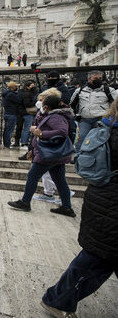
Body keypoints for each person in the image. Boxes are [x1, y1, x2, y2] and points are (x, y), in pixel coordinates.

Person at [40, 99, 118, 317]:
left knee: (97, 259)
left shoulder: (106, 128)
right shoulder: (112, 133)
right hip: (110, 206)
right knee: (96, 259)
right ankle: (57, 299)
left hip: (102, 200)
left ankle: (57, 299)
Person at [7, 95, 76, 217]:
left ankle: (25, 202)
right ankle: (66, 207)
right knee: (60, 180)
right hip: (53, 154)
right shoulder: (54, 115)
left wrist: (40, 133)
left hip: (48, 153)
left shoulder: (56, 117)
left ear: (46, 106)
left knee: (32, 176)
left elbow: (62, 132)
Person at [70, 70, 117, 151]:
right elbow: (71, 105)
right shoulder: (79, 91)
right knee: (81, 139)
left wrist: (111, 116)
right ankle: (79, 157)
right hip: (84, 120)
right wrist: (75, 116)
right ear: (89, 79)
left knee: (103, 139)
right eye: (95, 78)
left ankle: (103, 157)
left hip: (101, 119)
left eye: (100, 78)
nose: (98, 80)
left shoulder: (108, 90)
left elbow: (116, 104)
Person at [2, 82, 22, 148]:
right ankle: (7, 144)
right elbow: (19, 101)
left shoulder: (6, 94)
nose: (17, 88)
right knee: (9, 130)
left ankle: (6, 143)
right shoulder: (11, 94)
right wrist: (19, 93)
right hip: (12, 114)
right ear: (13, 87)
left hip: (7, 113)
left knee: (6, 130)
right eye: (16, 86)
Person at [19, 80, 38, 148]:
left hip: (26, 112)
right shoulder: (27, 94)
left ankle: (25, 141)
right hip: (27, 112)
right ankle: (24, 142)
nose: (33, 87)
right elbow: (27, 104)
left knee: (28, 127)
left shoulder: (28, 93)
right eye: (32, 86)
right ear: (27, 86)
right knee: (27, 128)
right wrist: (35, 102)